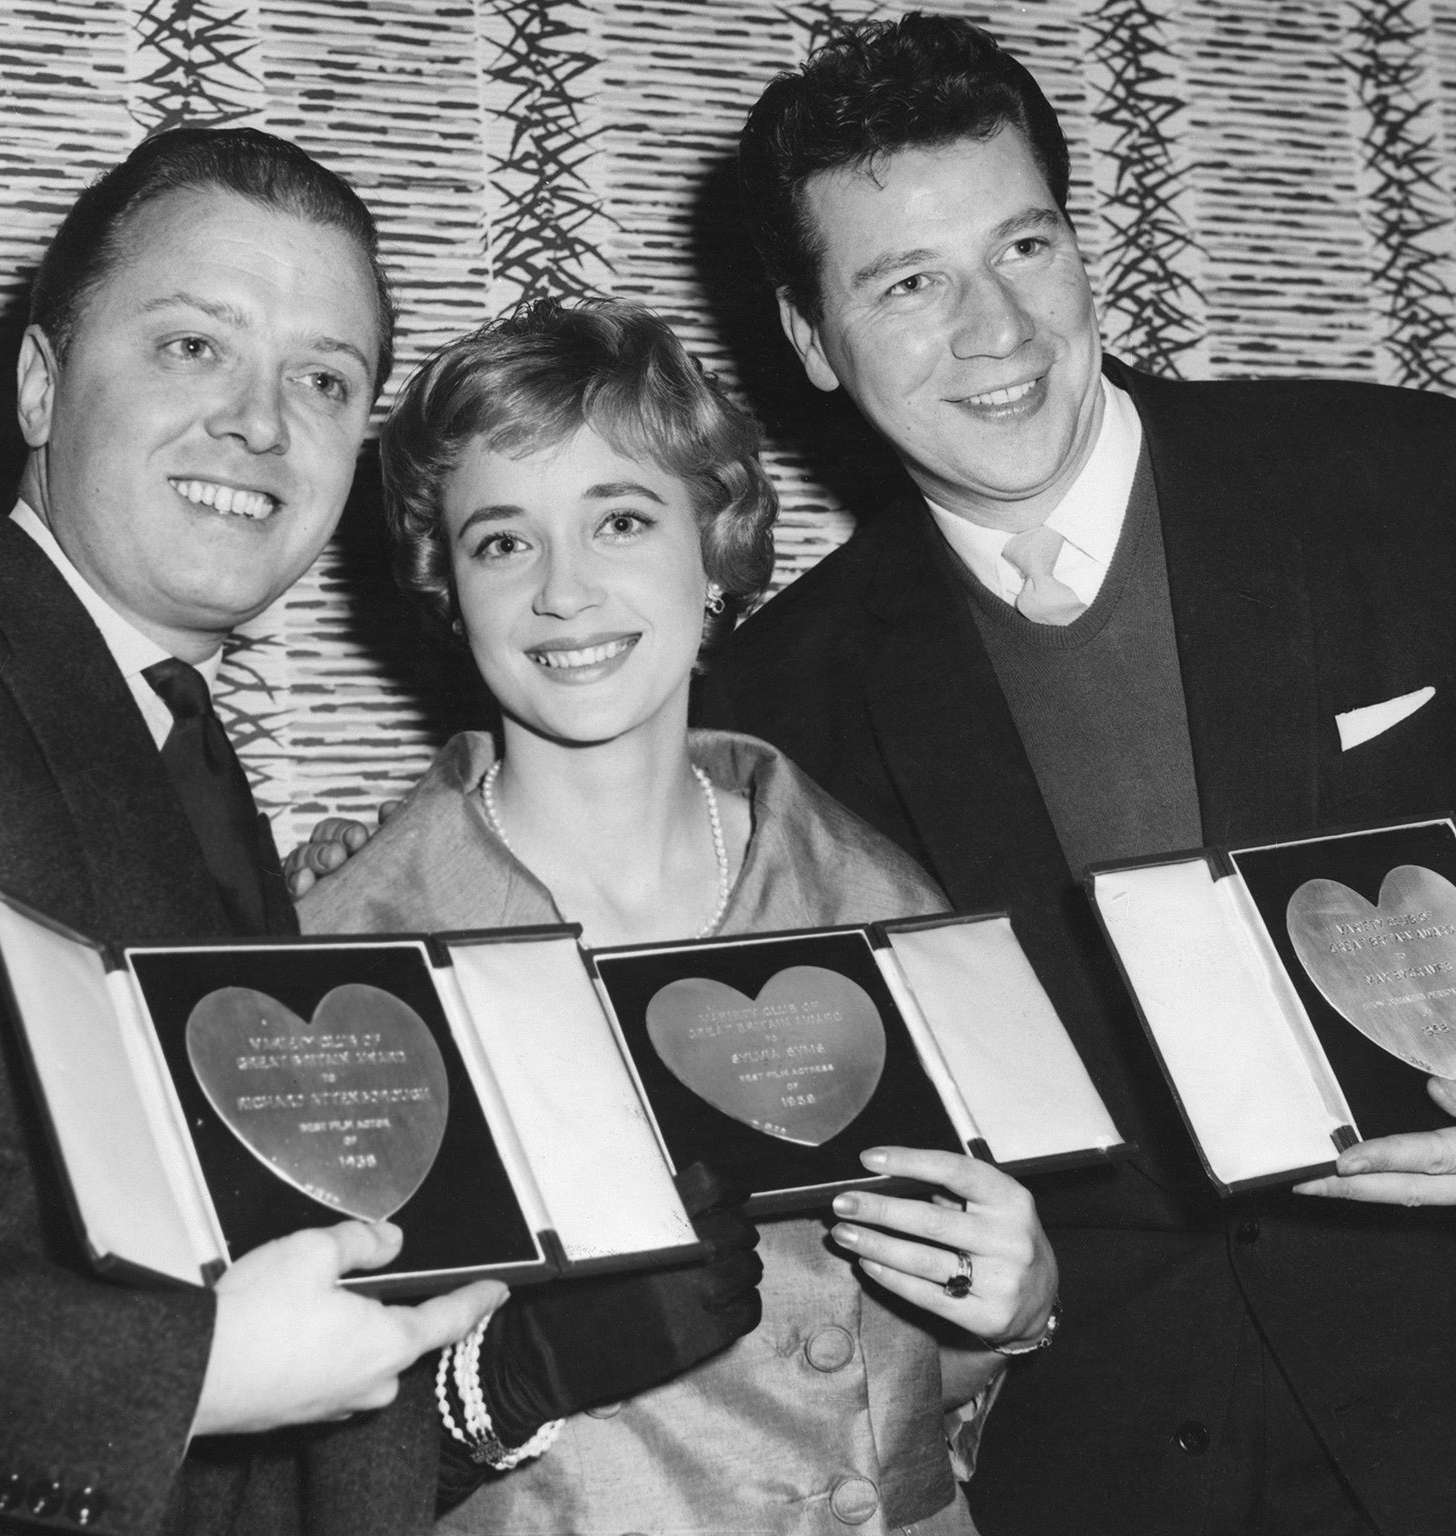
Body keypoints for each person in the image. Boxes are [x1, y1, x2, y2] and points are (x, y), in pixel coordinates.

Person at [691, 13, 1456, 1536]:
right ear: (808, 341)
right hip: (1108, 1480)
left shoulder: (1405, 483)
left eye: (1025, 248)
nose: (998, 332)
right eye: (908, 285)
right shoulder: (779, 701)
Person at [0, 127, 504, 1536]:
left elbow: (256, 1340)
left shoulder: (195, 764)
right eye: (196, 346)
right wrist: (176, 1373)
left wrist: (521, 1378)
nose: (262, 422)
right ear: (42, 382)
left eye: (324, 380)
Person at [297, 296, 1059, 1534]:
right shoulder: (349, 952)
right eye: (501, 542)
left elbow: (919, 1379)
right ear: (446, 587)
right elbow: (303, 1445)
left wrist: (1016, 1310)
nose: (563, 591)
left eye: (620, 520)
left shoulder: (887, 903)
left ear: (714, 547)